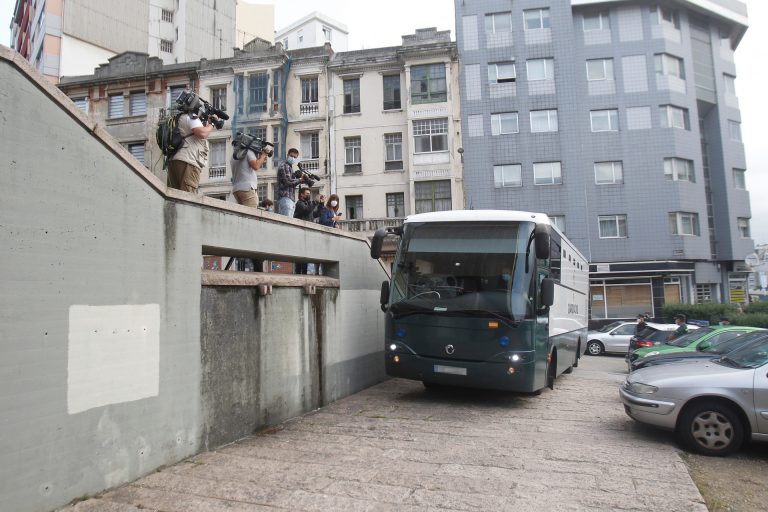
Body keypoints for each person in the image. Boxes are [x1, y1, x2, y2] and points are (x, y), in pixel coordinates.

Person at [168, 91, 219, 193]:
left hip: (174, 160)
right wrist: (212, 124)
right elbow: (202, 133)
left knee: (174, 197)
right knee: (188, 198)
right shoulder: (191, 117)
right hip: (189, 161)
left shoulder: (179, 118)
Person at [230, 135, 268, 207]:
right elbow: (256, 166)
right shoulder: (248, 152)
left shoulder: (234, 156)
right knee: (251, 214)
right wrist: (263, 155)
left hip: (236, 189)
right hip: (247, 188)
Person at [276, 148, 303, 217]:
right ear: (287, 155)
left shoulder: (289, 167)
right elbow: (288, 181)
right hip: (285, 197)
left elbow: (290, 182)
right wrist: (300, 180)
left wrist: (297, 178)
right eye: (291, 156)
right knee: (286, 223)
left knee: (288, 222)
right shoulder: (285, 166)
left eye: (295, 157)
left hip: (290, 198)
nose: (293, 158)